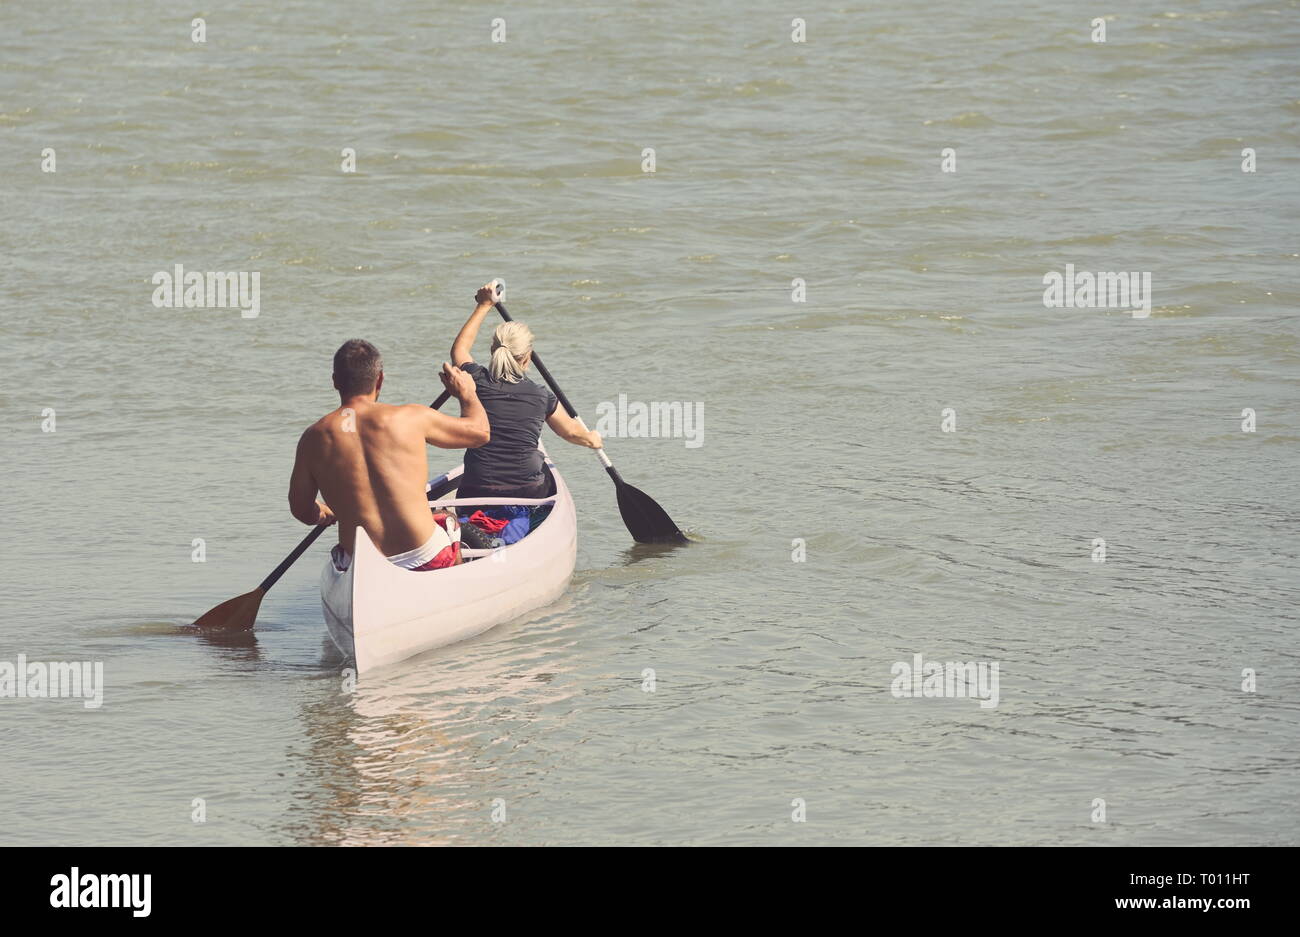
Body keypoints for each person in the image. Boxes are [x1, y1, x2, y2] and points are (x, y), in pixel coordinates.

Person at [288, 339, 490, 572]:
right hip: (425, 556)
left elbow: (301, 510)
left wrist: (322, 513)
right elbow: (480, 433)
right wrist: (466, 394)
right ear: (380, 379)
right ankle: (453, 587)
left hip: (362, 565)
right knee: (448, 520)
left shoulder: (313, 438)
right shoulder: (411, 418)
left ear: (335, 381)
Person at [450, 283, 603, 502]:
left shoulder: (474, 381)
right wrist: (592, 439)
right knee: (542, 474)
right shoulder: (542, 395)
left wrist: (484, 305)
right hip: (527, 490)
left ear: (493, 351)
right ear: (527, 357)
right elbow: (570, 432)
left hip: (476, 488)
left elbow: (459, 349)